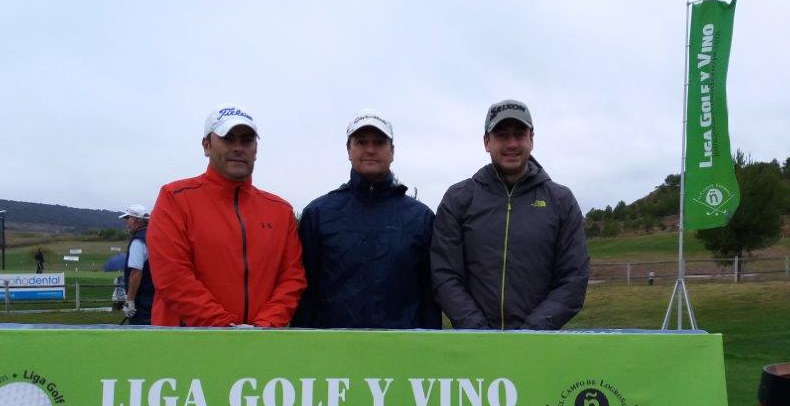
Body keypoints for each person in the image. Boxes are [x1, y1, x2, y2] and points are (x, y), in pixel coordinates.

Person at [430, 99, 589, 330]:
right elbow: (444, 274)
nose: (512, 143)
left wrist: (530, 333)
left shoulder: (561, 201)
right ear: (486, 142)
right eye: (502, 135)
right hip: (474, 348)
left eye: (519, 134)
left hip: (538, 348)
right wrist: (478, 331)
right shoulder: (458, 199)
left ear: (531, 139)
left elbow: (573, 279)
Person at [147, 104, 305, 327]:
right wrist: (222, 327)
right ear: (206, 145)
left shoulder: (280, 211)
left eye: (247, 140)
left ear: (256, 149)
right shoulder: (174, 198)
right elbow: (172, 276)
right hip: (186, 347)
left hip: (260, 346)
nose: (238, 148)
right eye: (228, 139)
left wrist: (264, 326)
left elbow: (292, 279)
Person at [291, 110, 439, 330]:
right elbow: (305, 294)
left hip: (404, 351)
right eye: (361, 142)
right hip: (334, 350)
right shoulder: (319, 214)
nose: (370, 150)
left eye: (379, 142)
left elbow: (430, 297)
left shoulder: (421, 217)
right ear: (349, 150)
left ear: (392, 151)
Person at [119, 204, 154, 325]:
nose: (126, 223)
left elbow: (136, 272)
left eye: (127, 219)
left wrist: (130, 301)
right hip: (154, 296)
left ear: (135, 220)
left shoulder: (138, 240)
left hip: (142, 300)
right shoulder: (153, 236)